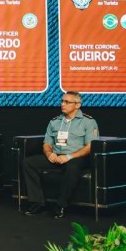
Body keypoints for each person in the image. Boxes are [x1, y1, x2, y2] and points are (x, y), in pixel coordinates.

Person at [23, 91, 99, 219]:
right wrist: (49, 154)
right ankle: (37, 202)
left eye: (67, 102)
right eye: (62, 101)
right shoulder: (55, 122)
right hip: (57, 156)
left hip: (77, 157)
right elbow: (47, 143)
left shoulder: (88, 122)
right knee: (28, 163)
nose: (62, 104)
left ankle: (60, 205)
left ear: (77, 105)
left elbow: (90, 147)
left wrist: (68, 157)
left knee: (72, 167)